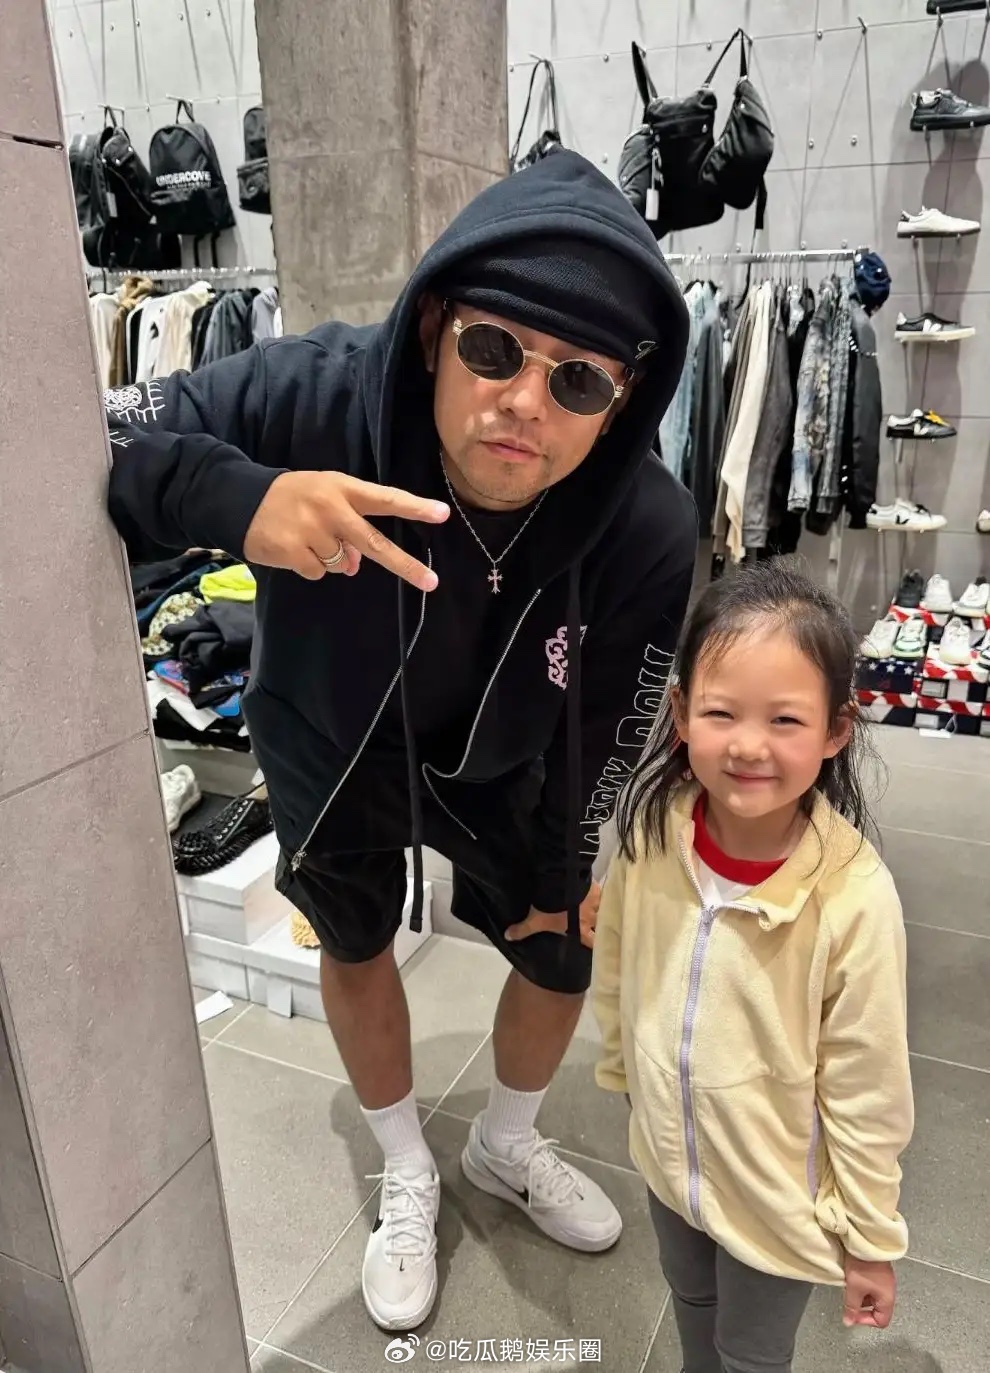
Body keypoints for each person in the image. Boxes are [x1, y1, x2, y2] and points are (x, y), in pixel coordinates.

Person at [104, 150, 698, 1330]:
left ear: (623, 396)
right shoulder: (319, 395)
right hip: (332, 726)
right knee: (356, 932)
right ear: (436, 326)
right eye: (496, 348)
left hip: (505, 749)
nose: (525, 402)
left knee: (561, 944)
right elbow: (101, 441)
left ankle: (504, 1142)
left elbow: (615, 715)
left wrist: (570, 860)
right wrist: (243, 501)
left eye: (579, 379)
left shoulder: (646, 522)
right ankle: (405, 1163)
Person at [591, 562, 914, 1373]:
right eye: (721, 712)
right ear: (680, 713)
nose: (747, 744)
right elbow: (619, 958)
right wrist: (624, 1071)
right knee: (691, 1303)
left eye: (785, 719)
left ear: (836, 730)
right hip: (669, 1160)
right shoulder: (654, 834)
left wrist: (870, 1236)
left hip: (778, 1198)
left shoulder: (853, 895)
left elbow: (867, 1080)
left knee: (752, 1353)